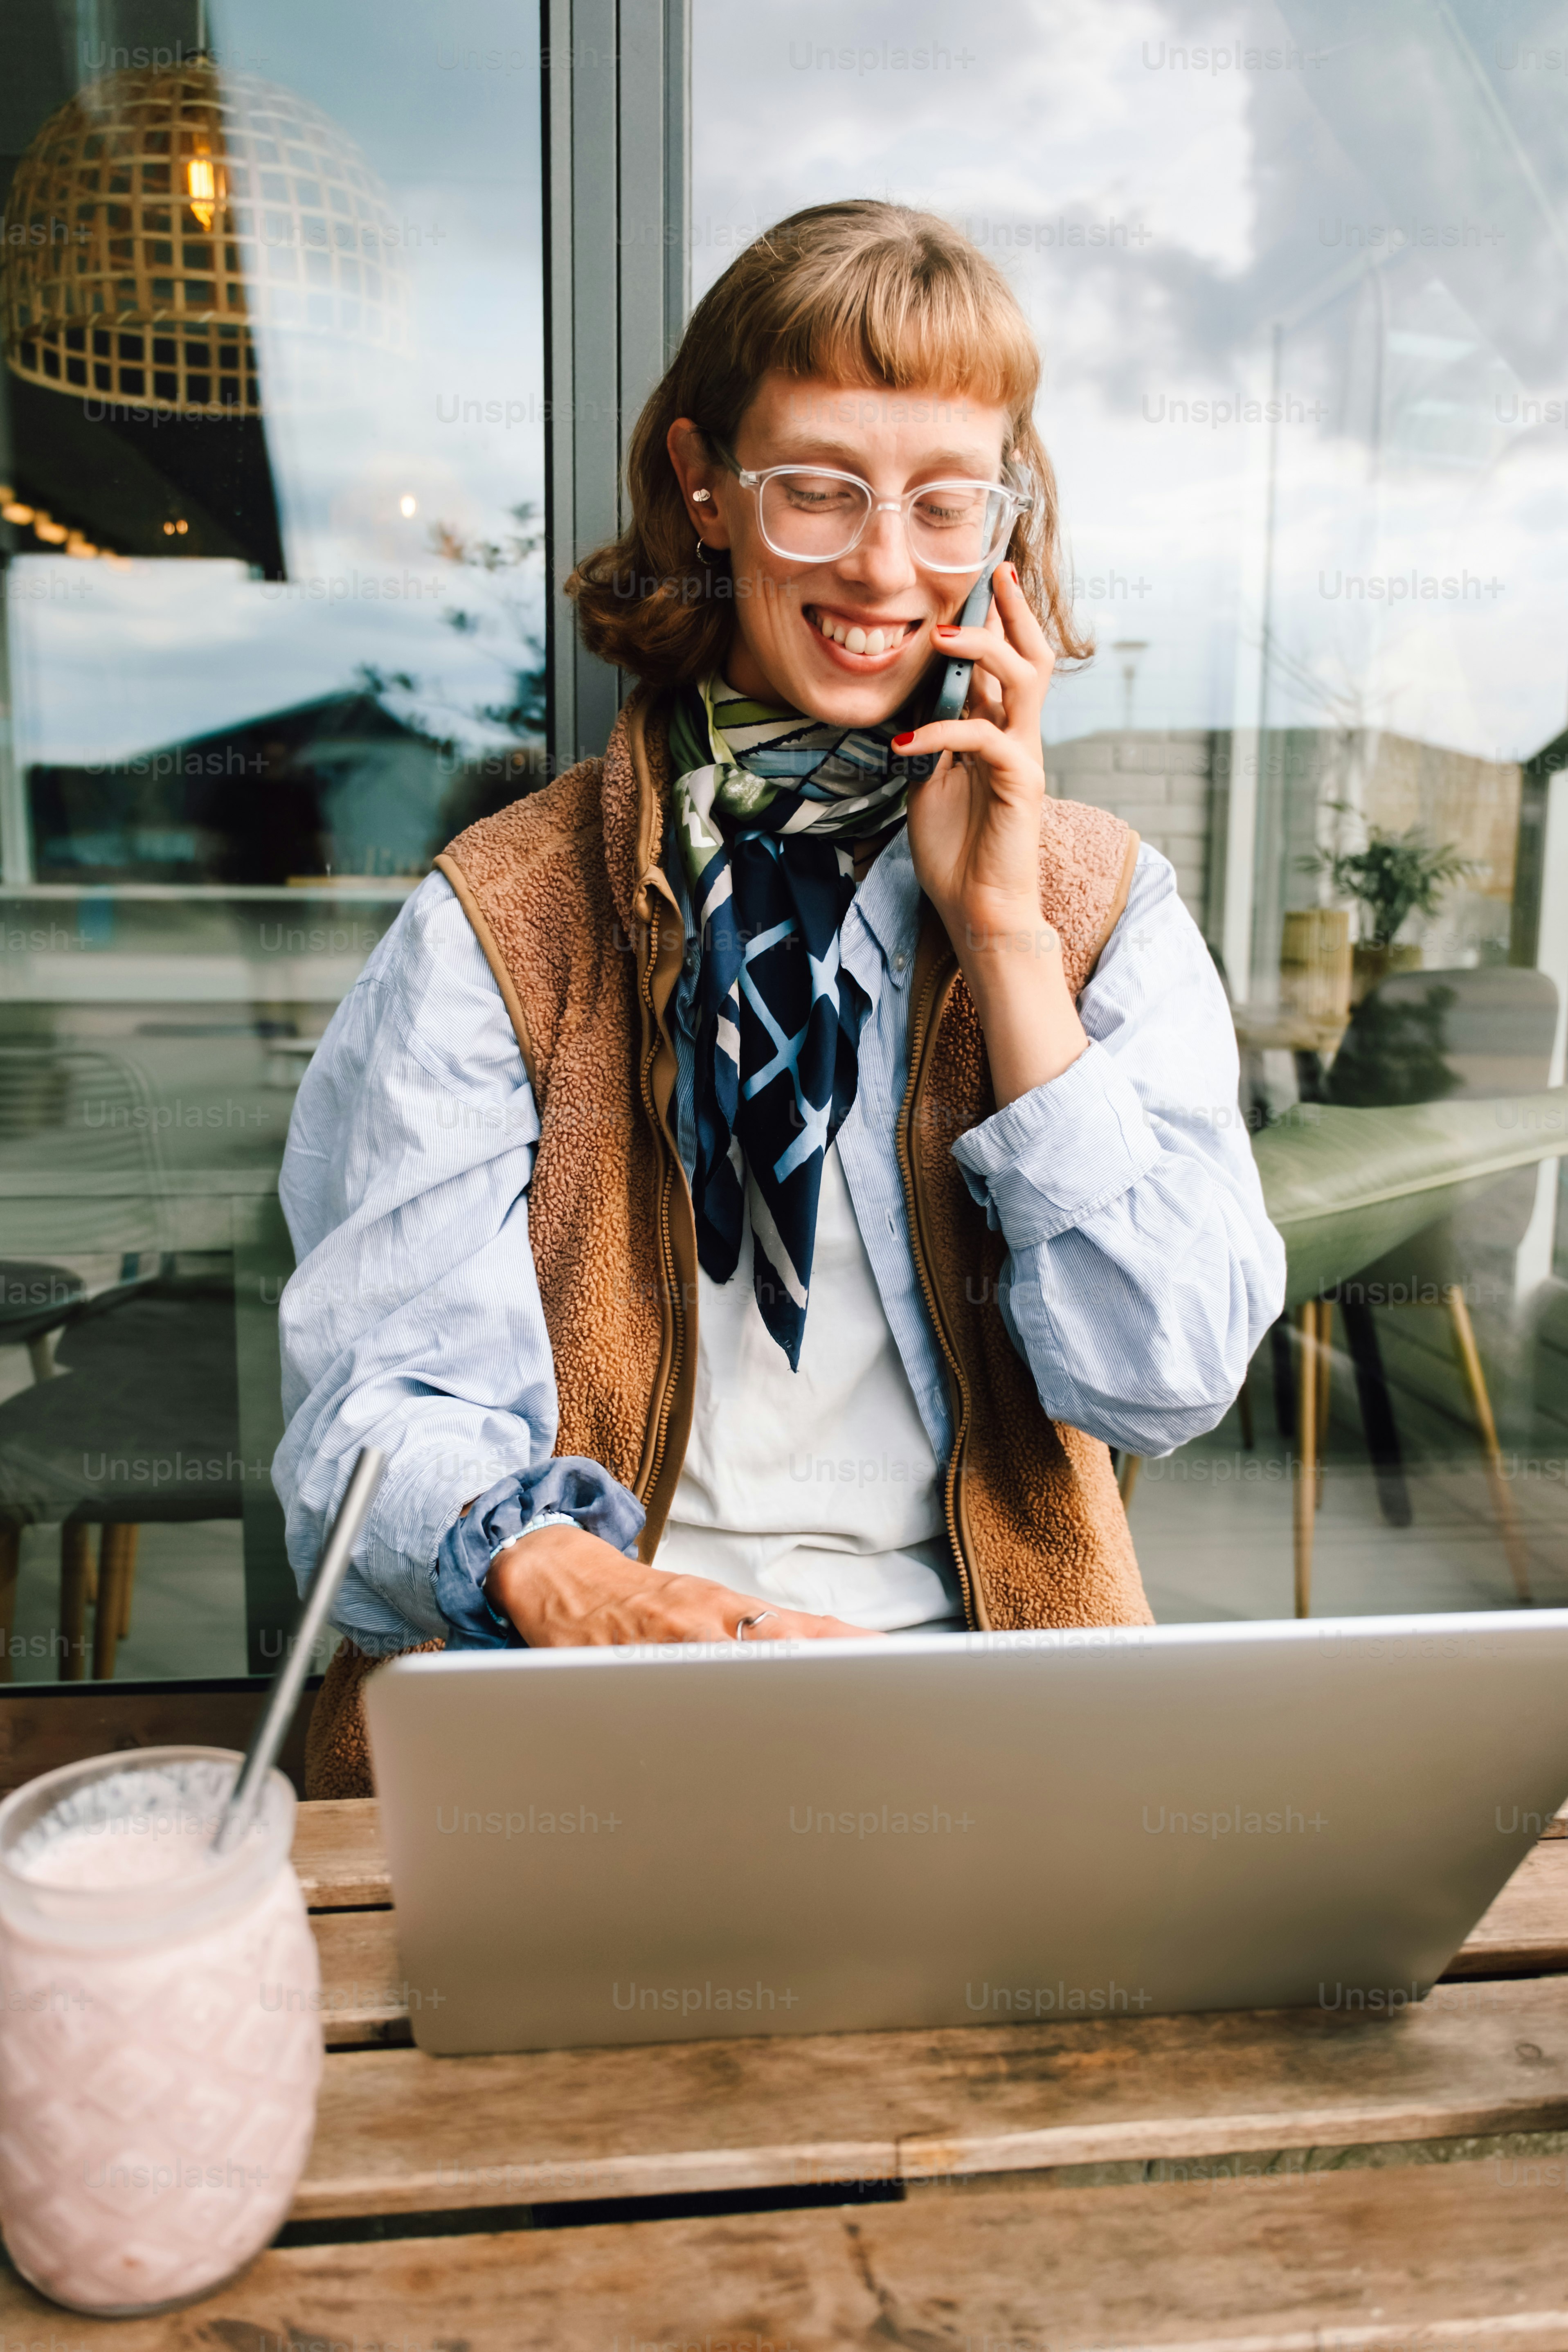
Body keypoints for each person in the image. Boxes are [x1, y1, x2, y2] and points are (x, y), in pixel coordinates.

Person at [275, 200, 1285, 1797]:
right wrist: (594, 1597)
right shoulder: (501, 914)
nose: (884, 566)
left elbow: (1156, 1380)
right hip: (582, 1705)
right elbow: (373, 1418)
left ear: (1001, 534)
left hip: (978, 1726)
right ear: (706, 487)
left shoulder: (1101, 913)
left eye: (945, 504)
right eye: (819, 489)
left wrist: (1006, 942)